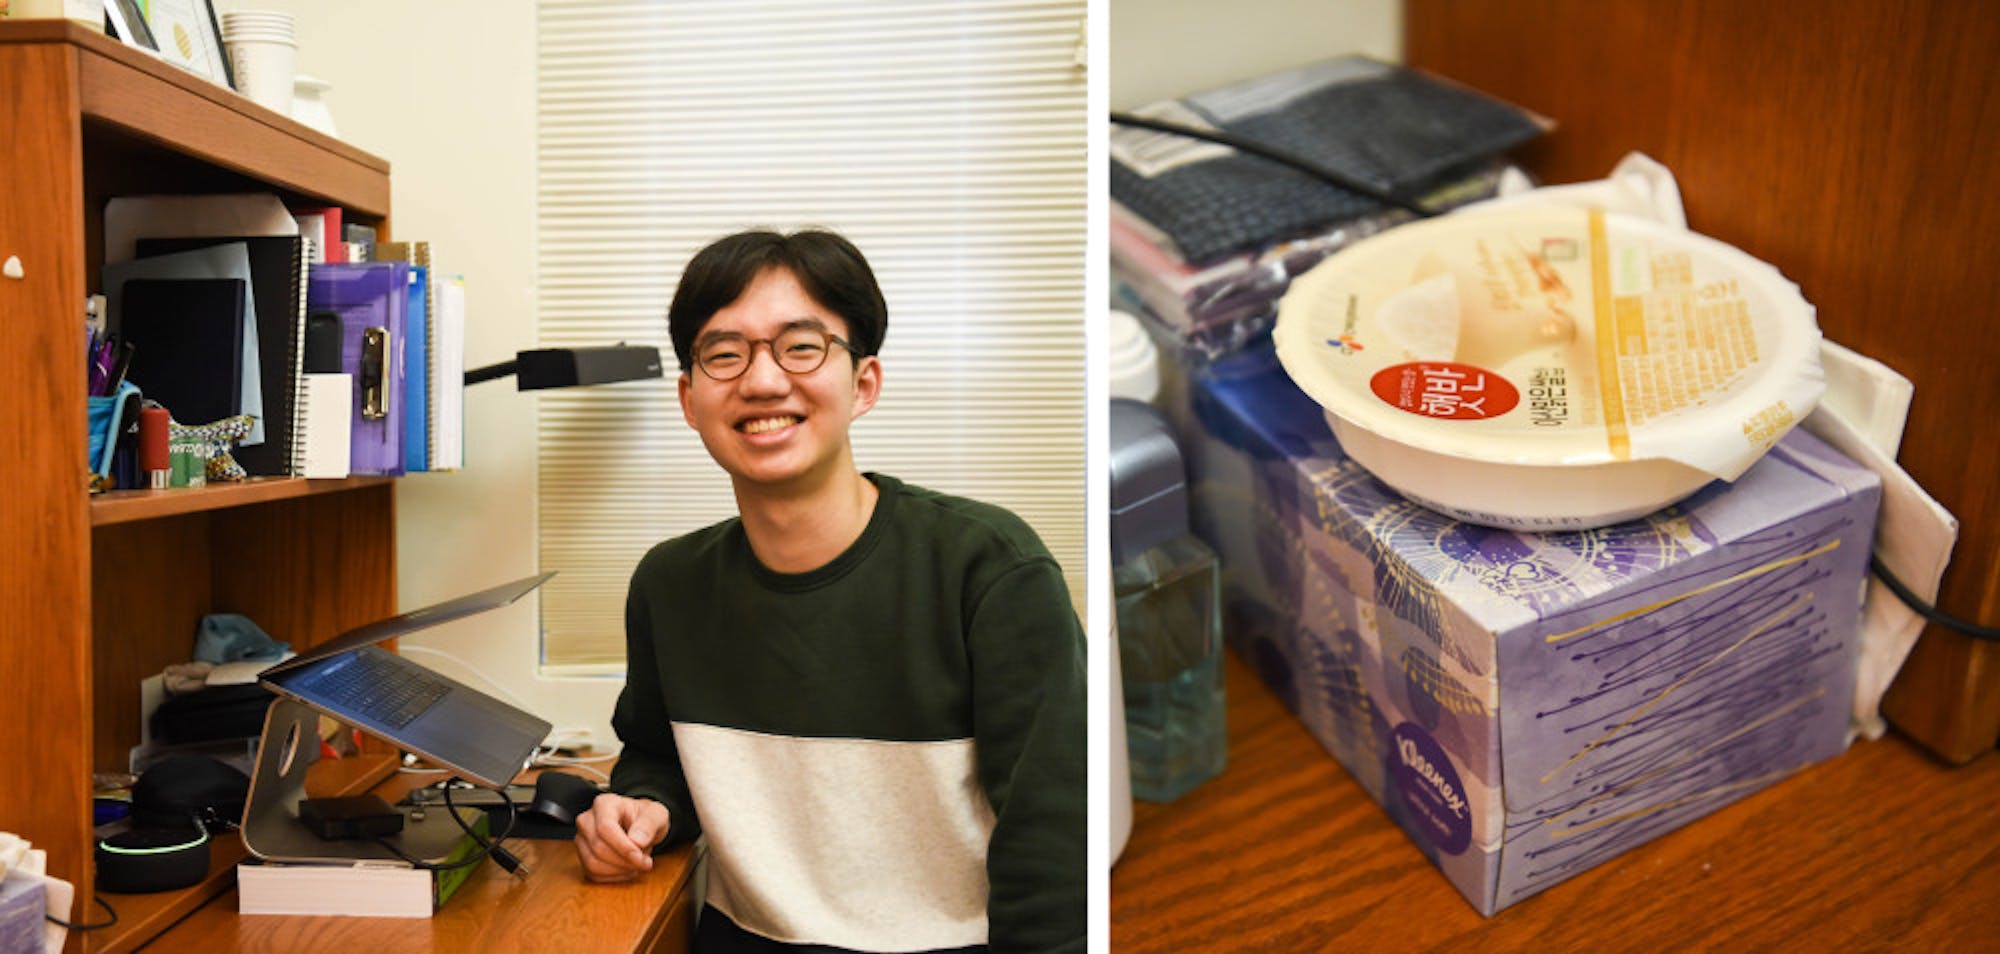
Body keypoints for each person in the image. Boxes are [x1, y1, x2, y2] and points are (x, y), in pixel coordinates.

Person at [572, 228, 1086, 954]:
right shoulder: (670, 584)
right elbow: (657, 757)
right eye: (725, 354)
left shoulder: (992, 570)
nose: (762, 381)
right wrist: (640, 809)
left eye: (801, 346)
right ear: (690, 400)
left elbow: (1055, 852)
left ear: (864, 383)